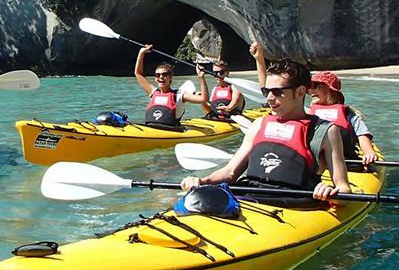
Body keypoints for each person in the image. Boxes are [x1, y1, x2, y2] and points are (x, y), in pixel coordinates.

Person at [180, 54, 351, 203]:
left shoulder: (326, 131)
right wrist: (202, 181)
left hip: (297, 204)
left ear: (300, 92)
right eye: (266, 91)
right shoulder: (258, 125)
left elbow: (343, 188)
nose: (269, 98)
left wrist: (331, 193)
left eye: (277, 92)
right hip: (247, 198)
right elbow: (230, 173)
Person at [308, 71, 379, 165]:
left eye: (316, 86)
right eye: (310, 86)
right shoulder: (307, 113)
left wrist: (369, 152)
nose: (311, 91)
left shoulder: (350, 115)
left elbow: (362, 135)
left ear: (330, 90)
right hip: (315, 162)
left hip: (345, 161)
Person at [134, 45, 207, 128]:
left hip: (171, 131)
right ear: (155, 78)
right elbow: (138, 74)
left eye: (164, 74)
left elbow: (203, 99)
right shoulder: (153, 92)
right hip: (150, 128)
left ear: (170, 77)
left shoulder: (180, 95)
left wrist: (201, 77)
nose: (161, 77)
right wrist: (141, 53)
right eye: (158, 75)